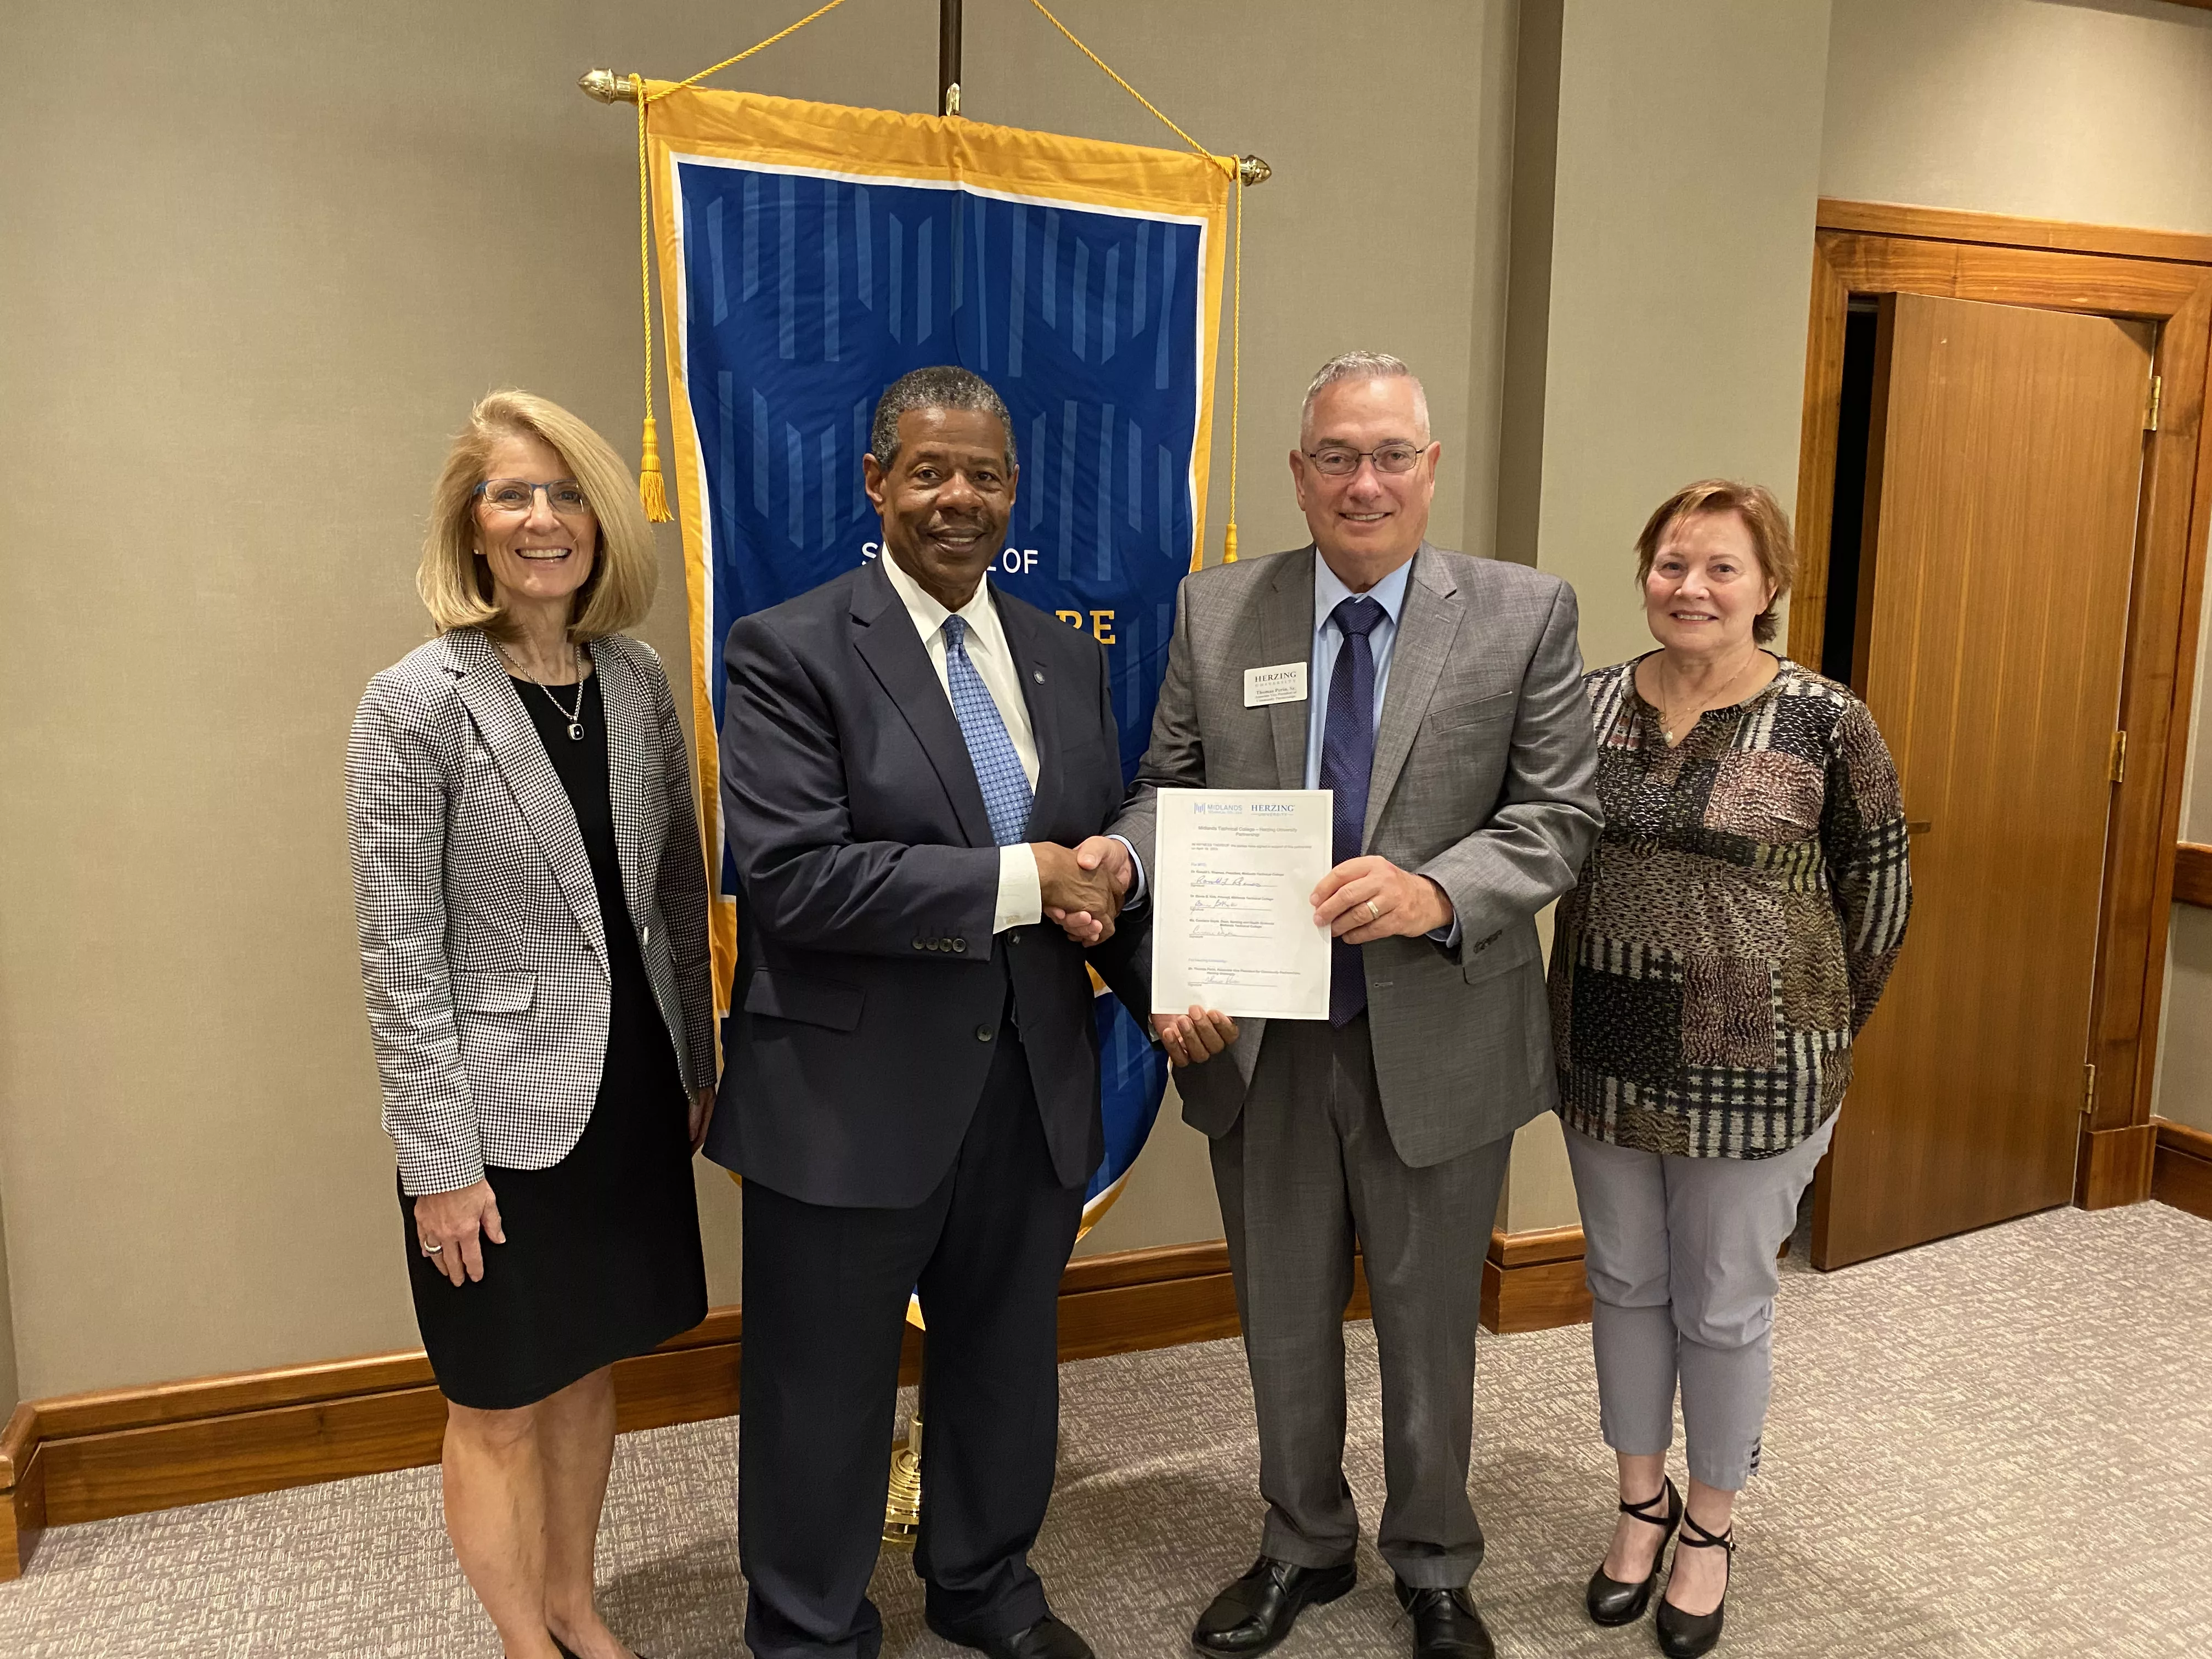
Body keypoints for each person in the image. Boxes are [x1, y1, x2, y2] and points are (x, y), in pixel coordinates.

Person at [708, 365, 1233, 1659]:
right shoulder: (787, 649)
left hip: (1028, 1084)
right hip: (849, 1098)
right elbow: (793, 879)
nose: (961, 499)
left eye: (986, 475)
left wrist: (1161, 980)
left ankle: (984, 1582)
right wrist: (1025, 878)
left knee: (1001, 1371)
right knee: (819, 1390)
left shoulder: (1058, 651)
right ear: (876, 483)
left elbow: (1091, 861)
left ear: (1015, 492)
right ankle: (810, 1627)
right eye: (931, 471)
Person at [1106, 352, 1603, 1659]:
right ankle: (1301, 1543)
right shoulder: (1222, 612)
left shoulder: (1522, 613)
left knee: (1433, 1323)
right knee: (1280, 1315)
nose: (1363, 481)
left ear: (1431, 468)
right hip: (1263, 1043)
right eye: (1336, 455)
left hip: (1436, 1031)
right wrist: (1139, 893)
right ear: (1299, 470)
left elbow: (1558, 818)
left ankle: (1435, 1559)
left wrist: (1437, 893)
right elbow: (1173, 789)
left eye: (1391, 455)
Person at [347, 391, 718, 1659]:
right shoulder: (413, 703)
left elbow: (676, 883)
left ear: (602, 523)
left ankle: (573, 1605)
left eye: (568, 495)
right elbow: (400, 958)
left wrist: (699, 1064)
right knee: (500, 1396)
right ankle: (521, 1640)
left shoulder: (633, 673)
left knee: (589, 1364)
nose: (544, 518)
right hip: (495, 1123)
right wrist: (437, 1166)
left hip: (625, 1096)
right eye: (515, 494)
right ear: (473, 522)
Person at [1550, 479, 1911, 1657]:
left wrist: (1822, 1025)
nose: (1692, 588)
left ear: (1770, 585)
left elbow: (1883, 889)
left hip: (1759, 1060)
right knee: (1623, 1282)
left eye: (1721, 568)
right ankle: (1638, 1504)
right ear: (1643, 571)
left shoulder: (1823, 717)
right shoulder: (1592, 699)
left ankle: (1709, 1526)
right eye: (1671, 564)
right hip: (1603, 1041)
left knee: (1722, 1300)